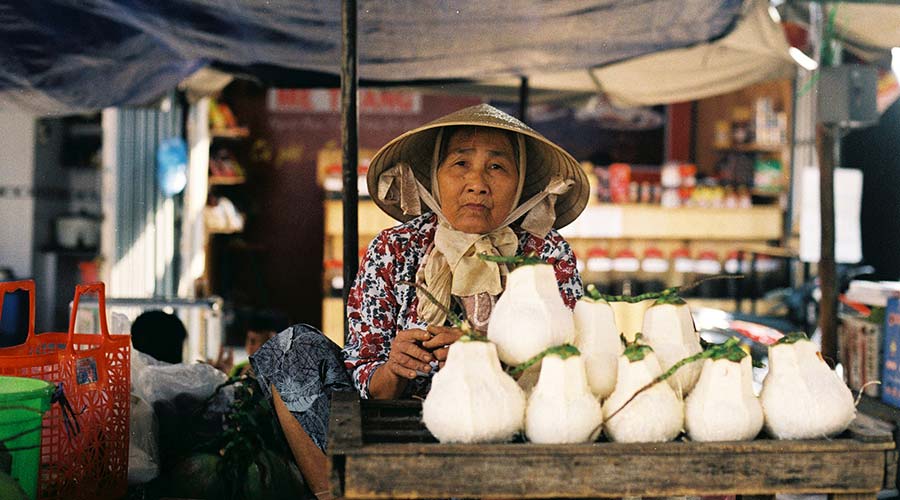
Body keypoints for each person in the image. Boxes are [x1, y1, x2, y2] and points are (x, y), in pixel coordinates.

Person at [250, 104, 588, 499]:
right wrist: (394, 367)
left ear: (521, 183)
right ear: (433, 177)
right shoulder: (394, 248)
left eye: (497, 167)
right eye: (460, 163)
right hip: (393, 433)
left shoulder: (546, 254)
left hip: (505, 429)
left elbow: (568, 360)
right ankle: (338, 495)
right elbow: (365, 373)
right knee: (292, 350)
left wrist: (482, 357)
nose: (477, 183)